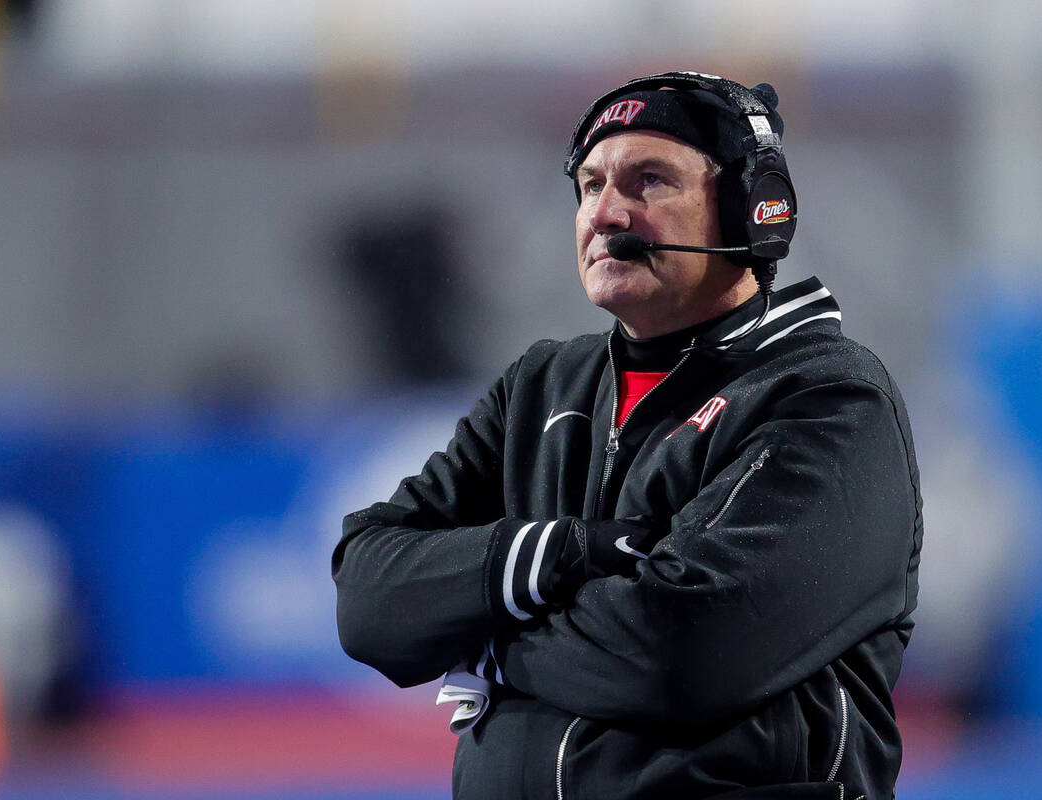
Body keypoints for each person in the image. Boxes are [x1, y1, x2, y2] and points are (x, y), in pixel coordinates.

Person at [333, 71, 923, 800]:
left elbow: (679, 651)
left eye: (649, 181)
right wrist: (565, 552)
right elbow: (368, 600)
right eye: (590, 186)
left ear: (752, 210)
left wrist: (483, 640)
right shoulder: (541, 387)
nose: (607, 213)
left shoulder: (828, 398)